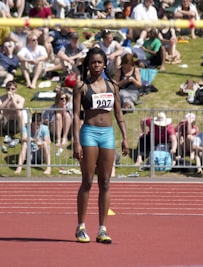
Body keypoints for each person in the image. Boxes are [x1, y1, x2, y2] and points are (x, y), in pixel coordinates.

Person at [72, 47, 128, 244]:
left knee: (105, 182)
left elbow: (119, 114)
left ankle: (102, 229)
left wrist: (125, 137)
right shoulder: (81, 87)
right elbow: (76, 116)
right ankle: (80, 227)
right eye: (93, 62)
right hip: (89, 133)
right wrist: (75, 141)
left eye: (99, 62)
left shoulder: (113, 87)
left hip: (108, 135)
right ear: (88, 64)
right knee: (87, 180)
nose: (96, 65)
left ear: (105, 64)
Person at [0, 80, 25, 151]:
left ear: (16, 89)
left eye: (12, 89)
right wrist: (7, 100)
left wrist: (13, 100)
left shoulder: (20, 98)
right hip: (4, 125)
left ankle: (23, 137)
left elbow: (19, 109)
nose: (10, 90)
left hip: (15, 126)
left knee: (19, 113)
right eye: (8, 89)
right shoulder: (1, 98)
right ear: (6, 89)